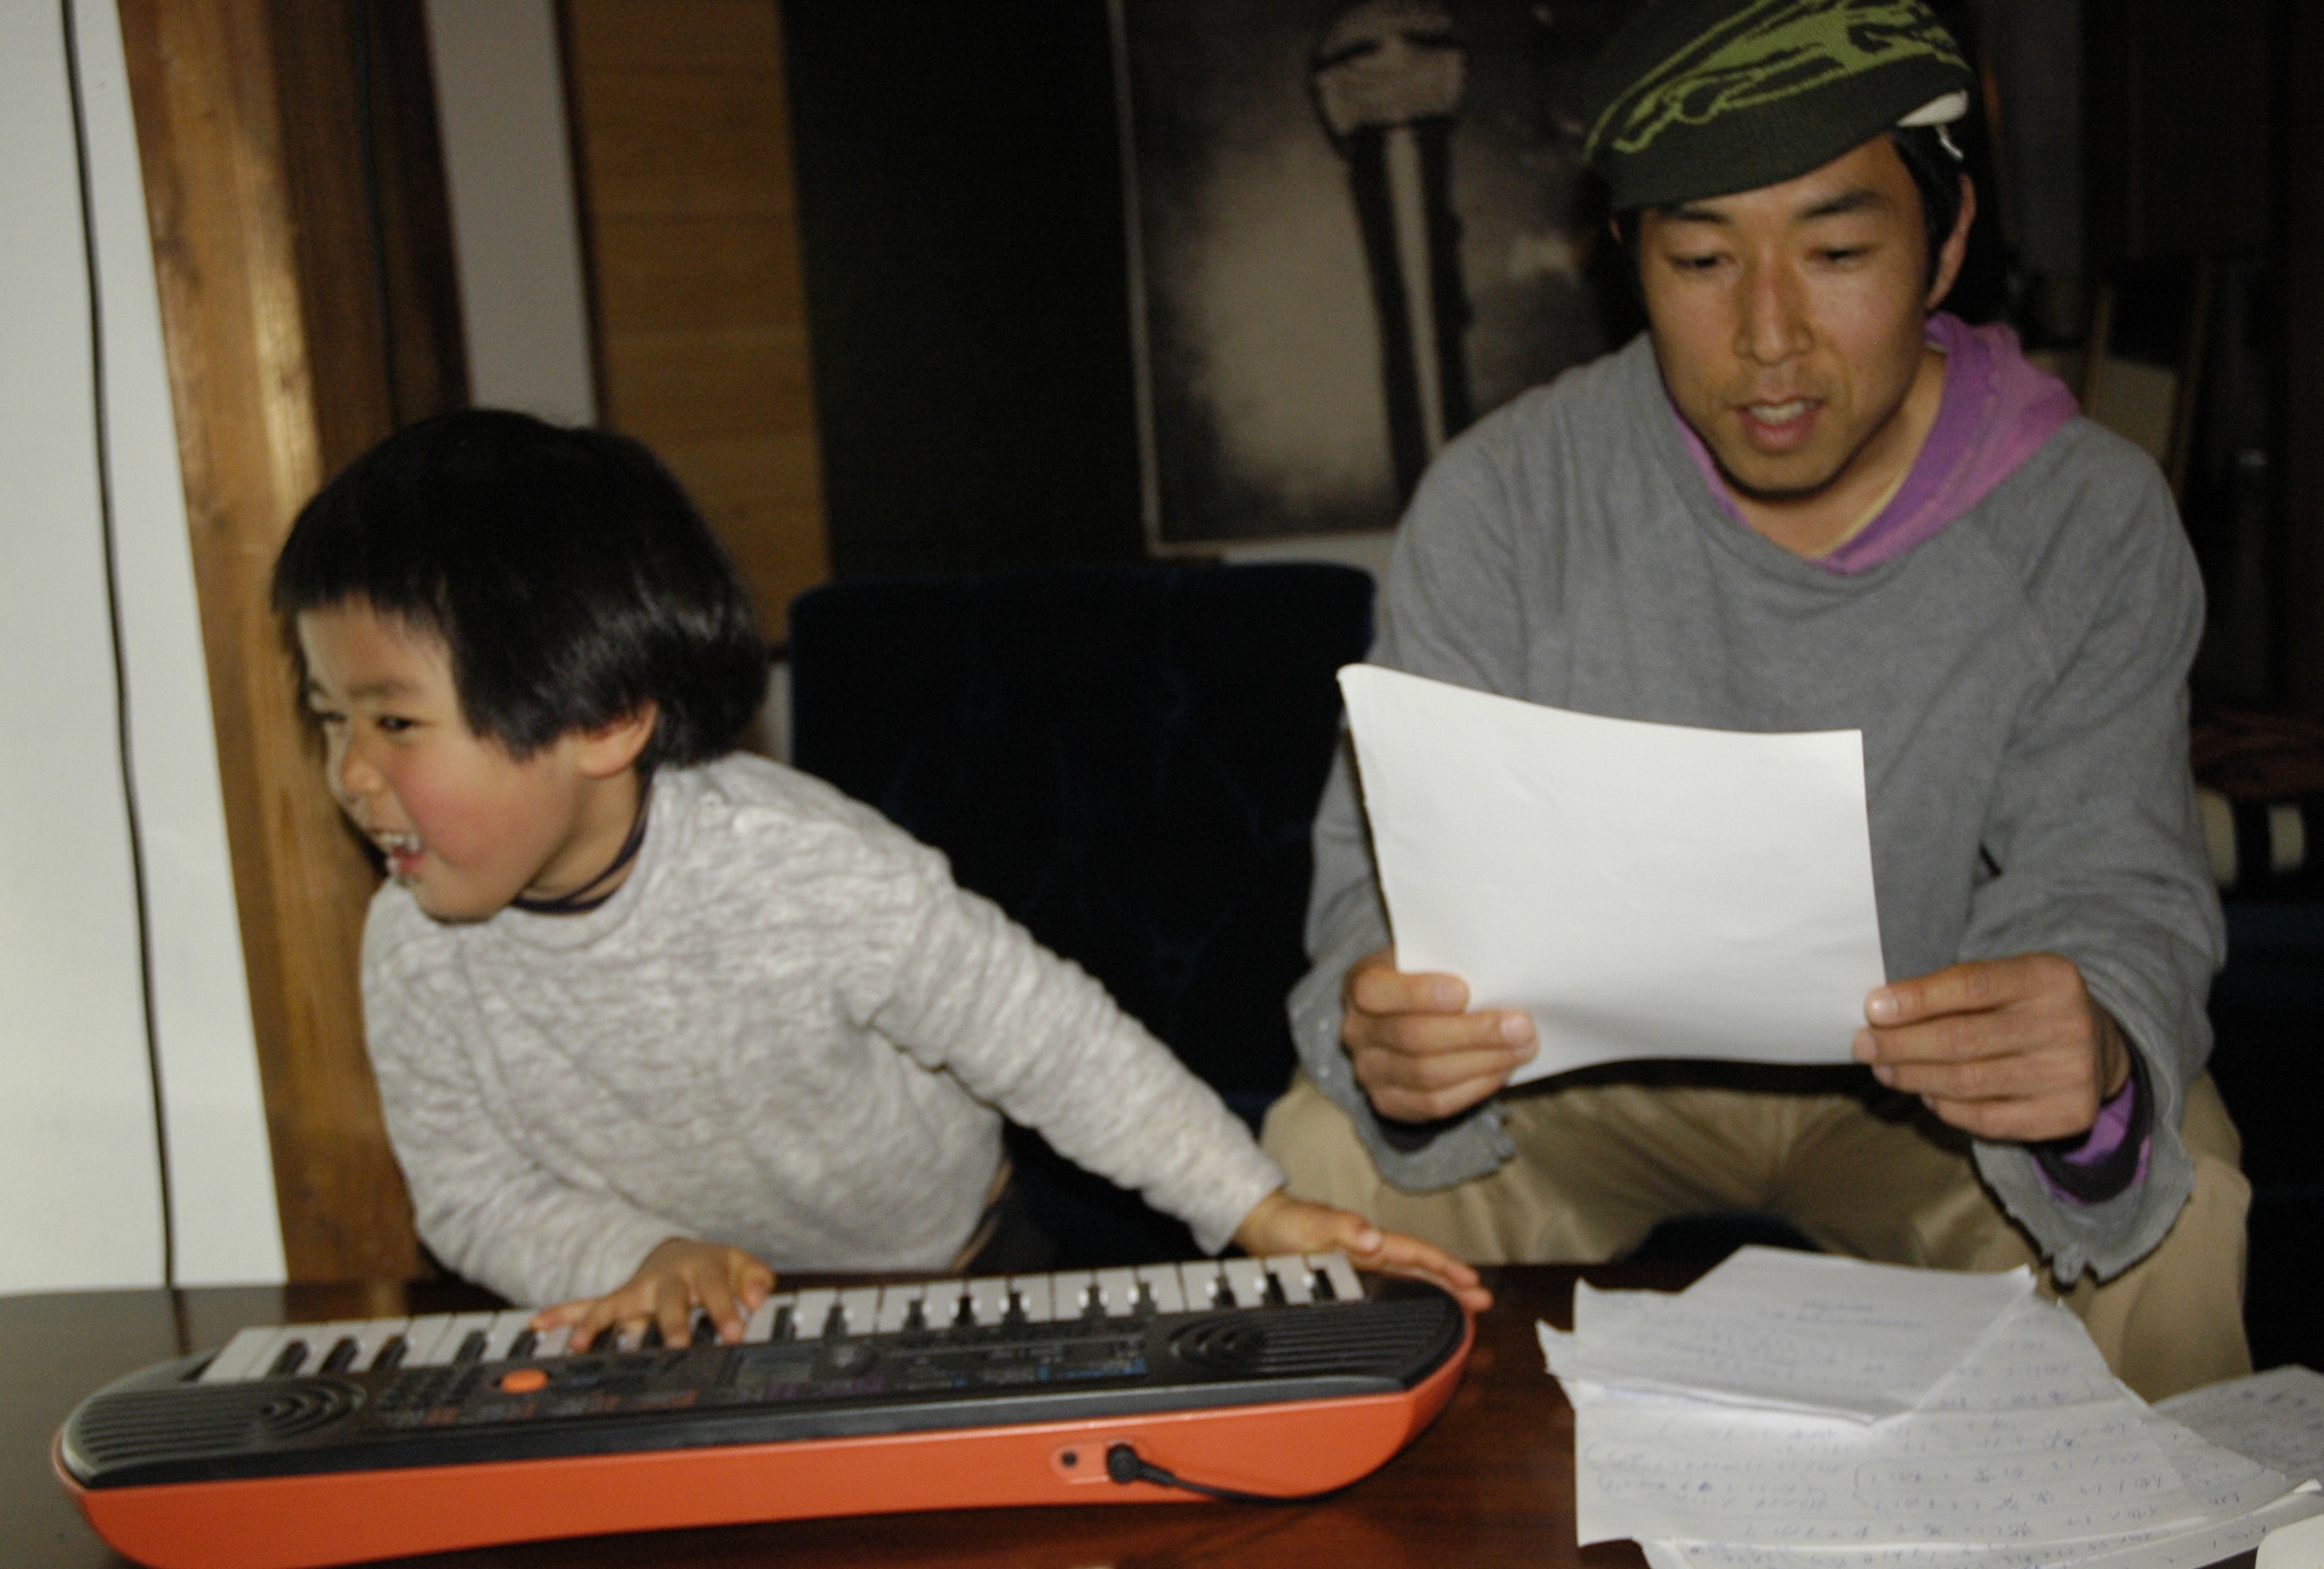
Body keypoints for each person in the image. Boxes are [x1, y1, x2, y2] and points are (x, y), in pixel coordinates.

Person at [1260, 0, 2247, 1399]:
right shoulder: (1509, 500)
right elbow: (1378, 889)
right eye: (1703, 260)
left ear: (1945, 243)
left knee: (2179, 1182)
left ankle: (2176, 1513)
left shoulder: (2083, 519)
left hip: (1925, 1094)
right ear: (1628, 256)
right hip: (1580, 1085)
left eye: (1837, 253)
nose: (1768, 336)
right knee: (1325, 1151)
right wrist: (1396, 1029)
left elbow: (2117, 885)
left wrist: (2085, 1054)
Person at [271, 410, 1488, 1352]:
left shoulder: (804, 868)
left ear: (602, 718)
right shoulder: (412, 945)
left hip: (954, 1275)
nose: (350, 775)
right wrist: (638, 1256)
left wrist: (1255, 1208)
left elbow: (1049, 1040)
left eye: (395, 722)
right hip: (674, 1322)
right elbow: (469, 1193)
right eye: (331, 719)